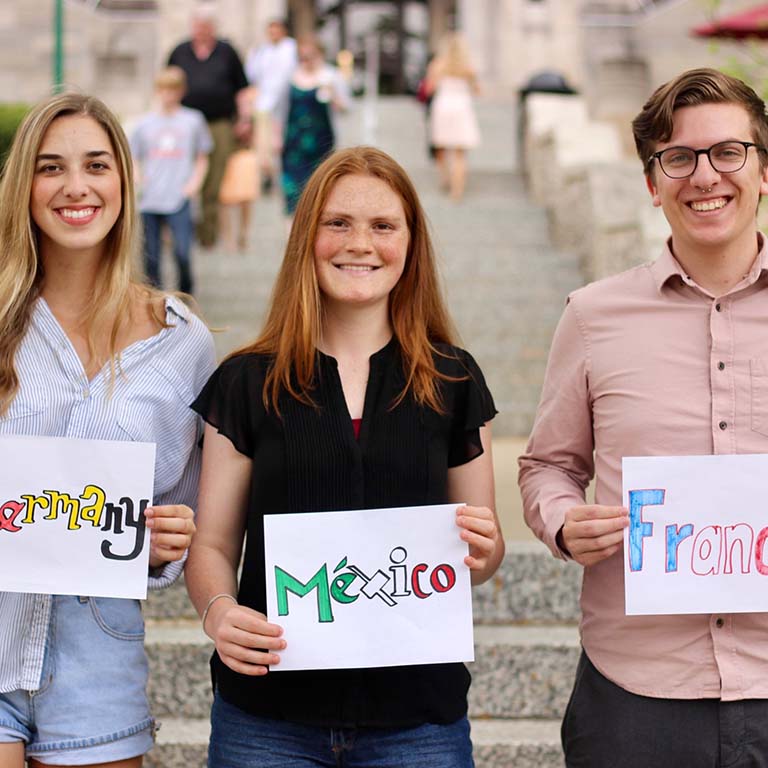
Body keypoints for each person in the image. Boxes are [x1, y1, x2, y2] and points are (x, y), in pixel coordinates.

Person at [185, 146, 504, 767]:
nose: (360, 243)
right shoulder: (247, 382)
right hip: (266, 719)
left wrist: (484, 550)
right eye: (337, 223)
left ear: (410, 244)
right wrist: (219, 612)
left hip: (419, 721)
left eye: (383, 225)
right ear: (307, 237)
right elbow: (213, 545)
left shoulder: (454, 379)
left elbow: (478, 557)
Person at [519, 68, 768, 767]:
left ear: (763, 169)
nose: (705, 176)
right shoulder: (593, 316)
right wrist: (564, 520)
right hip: (636, 695)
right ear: (653, 184)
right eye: (678, 158)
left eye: (728, 152)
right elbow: (548, 467)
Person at [0, 92, 216, 767]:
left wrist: (165, 545)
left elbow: (186, 516)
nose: (75, 187)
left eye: (96, 164)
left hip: (99, 658)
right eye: (50, 167)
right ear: (23, 187)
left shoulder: (182, 342)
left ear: (125, 179)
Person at [167, 4, 249, 247]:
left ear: (213, 28)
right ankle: (177, 230)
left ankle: (208, 235)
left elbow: (242, 89)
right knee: (181, 173)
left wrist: (244, 120)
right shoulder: (180, 51)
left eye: (205, 26)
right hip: (183, 124)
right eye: (197, 25)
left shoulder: (227, 52)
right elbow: (166, 84)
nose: (201, 30)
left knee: (213, 181)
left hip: (219, 124)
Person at [131, 65, 213, 293]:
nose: (168, 95)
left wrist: (194, 183)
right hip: (150, 198)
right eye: (164, 89)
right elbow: (133, 157)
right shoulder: (144, 124)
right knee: (151, 258)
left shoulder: (193, 120)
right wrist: (139, 180)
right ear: (157, 91)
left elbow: (203, 156)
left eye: (173, 90)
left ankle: (186, 296)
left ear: (181, 91)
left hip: (180, 196)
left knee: (183, 253)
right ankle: (155, 300)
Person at [280, 35, 350, 219]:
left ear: (319, 55)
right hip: (293, 142)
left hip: (321, 141)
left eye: (310, 56)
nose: (306, 60)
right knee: (293, 190)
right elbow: (280, 109)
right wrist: (276, 136)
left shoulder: (330, 75)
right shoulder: (290, 76)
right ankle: (292, 235)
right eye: (302, 57)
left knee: (320, 189)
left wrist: (333, 95)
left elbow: (346, 107)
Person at [424, 32, 480, 202]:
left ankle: (445, 178)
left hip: (443, 106)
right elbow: (477, 91)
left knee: (441, 147)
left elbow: (429, 89)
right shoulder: (468, 68)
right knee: (459, 153)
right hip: (461, 107)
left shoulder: (437, 65)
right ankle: (457, 190)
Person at [245, 19, 297, 193]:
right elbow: (253, 75)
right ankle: (268, 174)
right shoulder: (262, 51)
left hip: (286, 105)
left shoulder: (291, 49)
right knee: (264, 144)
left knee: (280, 142)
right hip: (264, 104)